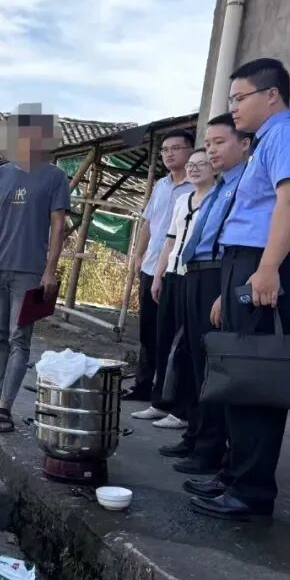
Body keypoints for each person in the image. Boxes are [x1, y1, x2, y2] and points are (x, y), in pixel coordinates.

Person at [189, 58, 290, 520]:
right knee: (236, 373)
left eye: (238, 98)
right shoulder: (264, 144)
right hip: (247, 266)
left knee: (256, 380)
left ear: (271, 95)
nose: (234, 108)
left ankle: (252, 491)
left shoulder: (289, 135)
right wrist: (229, 288)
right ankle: (233, 474)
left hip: (271, 264)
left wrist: (267, 268)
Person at [0, 110, 69, 433]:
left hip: (31, 272)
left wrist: (50, 270)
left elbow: (58, 226)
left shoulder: (55, 177)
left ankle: (6, 408)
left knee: (19, 339)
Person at [164, 114, 252, 477]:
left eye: (219, 143)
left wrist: (226, 291)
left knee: (211, 366)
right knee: (191, 359)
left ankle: (210, 449)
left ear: (244, 144)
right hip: (193, 274)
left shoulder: (245, 184)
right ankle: (195, 434)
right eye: (209, 143)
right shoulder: (221, 188)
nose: (211, 151)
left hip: (216, 276)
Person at [148, 147, 217, 431]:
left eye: (201, 163)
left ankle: (183, 410)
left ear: (214, 169)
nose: (194, 168)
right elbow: (169, 240)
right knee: (164, 339)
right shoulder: (183, 200)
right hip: (174, 275)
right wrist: (158, 274)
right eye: (191, 164)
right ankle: (160, 402)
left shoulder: (218, 200)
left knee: (187, 344)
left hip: (196, 277)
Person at [129, 129, 195, 412]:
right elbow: (147, 223)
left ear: (191, 150)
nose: (169, 154)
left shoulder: (197, 188)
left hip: (177, 271)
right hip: (150, 265)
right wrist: (137, 255)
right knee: (147, 331)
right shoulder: (160, 185)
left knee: (169, 335)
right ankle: (143, 386)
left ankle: (166, 396)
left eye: (176, 148)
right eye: (165, 149)